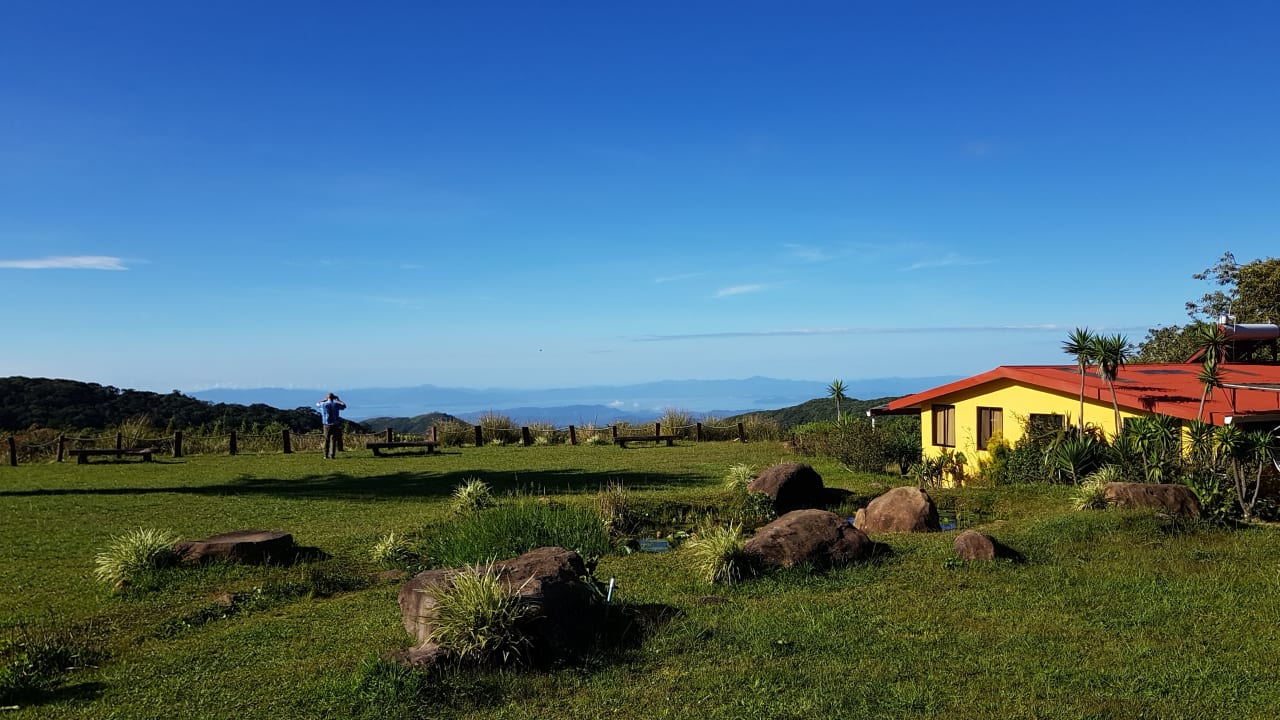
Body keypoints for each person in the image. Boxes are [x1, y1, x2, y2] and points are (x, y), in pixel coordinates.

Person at [316, 392, 347, 459]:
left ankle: (325, 455)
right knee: (333, 440)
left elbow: (317, 404)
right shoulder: (336, 404)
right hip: (335, 424)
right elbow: (344, 406)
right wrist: (338, 400)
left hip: (326, 424)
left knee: (326, 439)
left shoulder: (323, 404)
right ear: (334, 397)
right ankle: (332, 455)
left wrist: (324, 400)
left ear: (327, 397)